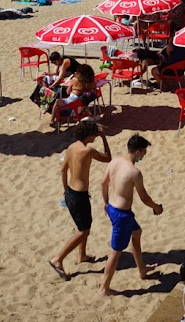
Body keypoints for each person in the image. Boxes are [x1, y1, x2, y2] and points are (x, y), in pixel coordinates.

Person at [100, 134, 164, 297]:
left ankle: (142, 269)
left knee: (136, 233)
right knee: (116, 252)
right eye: (143, 152)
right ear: (137, 151)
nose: (144, 155)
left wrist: (106, 203)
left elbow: (103, 182)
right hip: (122, 215)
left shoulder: (114, 161)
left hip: (114, 209)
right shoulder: (135, 172)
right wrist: (156, 207)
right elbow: (144, 197)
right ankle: (104, 289)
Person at [49, 120, 112, 281]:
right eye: (94, 134)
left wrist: (64, 190)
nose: (95, 137)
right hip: (79, 196)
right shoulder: (88, 150)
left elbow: (63, 170)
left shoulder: (71, 147)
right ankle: (58, 259)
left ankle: (82, 255)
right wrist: (104, 137)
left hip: (71, 193)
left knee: (85, 226)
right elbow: (108, 158)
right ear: (88, 134)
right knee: (83, 230)